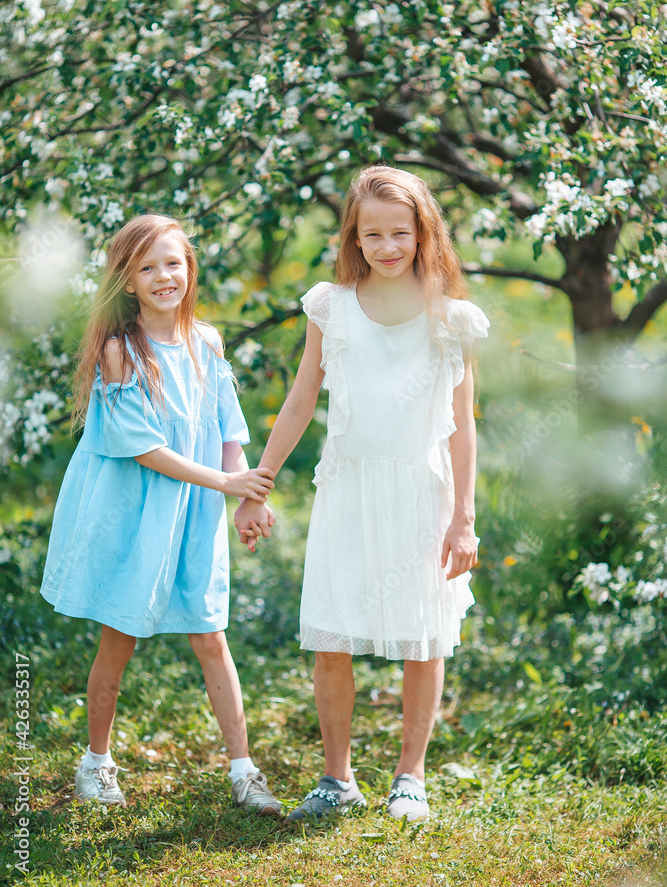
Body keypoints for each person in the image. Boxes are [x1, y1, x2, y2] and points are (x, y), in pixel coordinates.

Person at [235, 165, 490, 822]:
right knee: (332, 636)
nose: (385, 246)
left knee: (424, 637)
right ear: (352, 236)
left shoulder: (452, 319)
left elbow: (463, 430)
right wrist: (256, 485)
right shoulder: (332, 305)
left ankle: (410, 777)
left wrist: (463, 520)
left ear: (421, 232)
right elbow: (297, 402)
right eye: (370, 233)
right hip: (347, 488)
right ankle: (336, 778)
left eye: (398, 232)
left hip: (419, 493)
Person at [41, 213, 281, 815]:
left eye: (173, 262)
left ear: (189, 267)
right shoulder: (121, 352)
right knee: (118, 637)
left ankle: (244, 770)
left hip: (196, 514)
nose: (163, 276)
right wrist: (226, 482)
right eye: (147, 267)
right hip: (138, 514)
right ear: (127, 281)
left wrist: (247, 493)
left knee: (210, 635)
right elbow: (142, 447)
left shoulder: (208, 343)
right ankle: (96, 762)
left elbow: (228, 427)